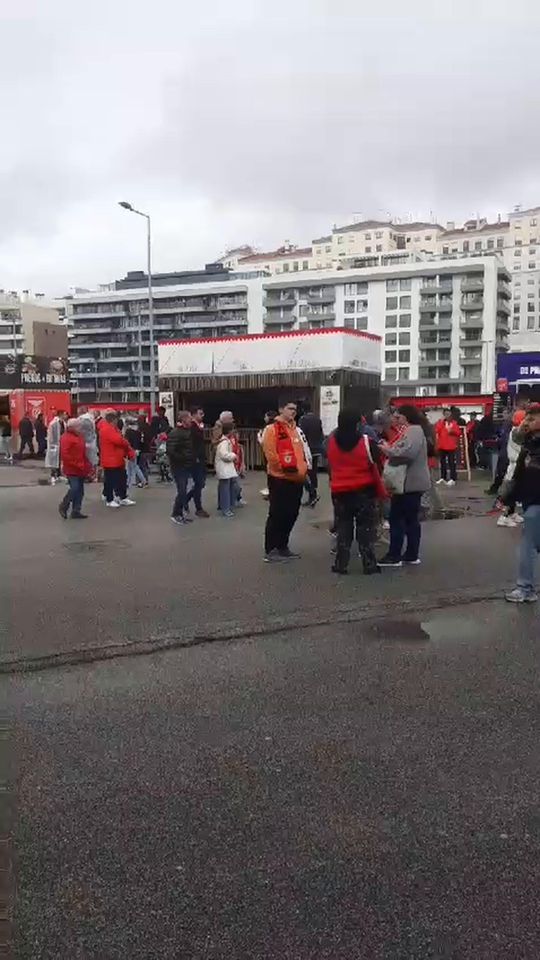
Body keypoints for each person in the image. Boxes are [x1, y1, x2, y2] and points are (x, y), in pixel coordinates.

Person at [326, 409, 386, 575]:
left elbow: (329, 463)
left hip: (339, 491)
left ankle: (341, 565)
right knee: (365, 529)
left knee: (343, 528)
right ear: (357, 423)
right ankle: (369, 564)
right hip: (364, 491)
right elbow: (377, 462)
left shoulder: (330, 441)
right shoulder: (366, 441)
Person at [378, 405, 431, 567]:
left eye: (398, 417)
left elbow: (407, 452)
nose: (396, 419)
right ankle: (410, 554)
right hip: (410, 482)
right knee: (410, 519)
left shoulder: (413, 430)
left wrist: (388, 450)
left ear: (406, 417)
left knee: (398, 518)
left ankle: (395, 555)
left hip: (409, 483)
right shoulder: (413, 430)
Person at [261, 400, 308, 562]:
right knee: (277, 514)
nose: (293, 412)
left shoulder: (296, 430)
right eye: (290, 408)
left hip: (297, 479)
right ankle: (271, 549)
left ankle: (283, 546)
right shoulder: (271, 429)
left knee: (291, 514)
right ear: (281, 409)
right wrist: (284, 470)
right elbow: (271, 455)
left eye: (295, 409)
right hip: (280, 479)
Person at [504, 406, 540, 602]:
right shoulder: (530, 442)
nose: (527, 422)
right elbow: (516, 438)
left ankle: (525, 588)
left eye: (533, 418)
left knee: (528, 545)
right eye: (527, 418)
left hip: (536, 500)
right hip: (530, 498)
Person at [99, 411, 136, 507]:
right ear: (113, 420)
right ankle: (110, 499)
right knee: (111, 480)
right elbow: (119, 440)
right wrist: (125, 442)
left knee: (121, 479)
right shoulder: (107, 429)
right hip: (111, 460)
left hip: (116, 459)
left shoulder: (112, 429)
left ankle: (122, 497)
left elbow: (121, 440)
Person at [58, 419, 91, 520]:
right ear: (72, 427)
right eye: (79, 426)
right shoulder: (66, 438)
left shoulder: (79, 437)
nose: (80, 428)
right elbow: (65, 455)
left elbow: (82, 452)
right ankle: (64, 505)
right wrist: (77, 464)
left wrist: (87, 465)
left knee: (80, 490)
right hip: (72, 468)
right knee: (75, 488)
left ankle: (76, 510)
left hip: (80, 467)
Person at [167, 411, 194, 525]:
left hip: (185, 465)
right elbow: (171, 451)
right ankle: (176, 514)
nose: (191, 420)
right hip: (178, 466)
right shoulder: (176, 433)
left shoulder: (187, 432)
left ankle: (180, 513)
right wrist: (183, 458)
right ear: (183, 420)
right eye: (189, 418)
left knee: (183, 489)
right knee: (182, 490)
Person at [298, 401, 324, 507]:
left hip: (308, 449)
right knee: (313, 472)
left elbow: (301, 435)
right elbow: (321, 433)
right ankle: (313, 493)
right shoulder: (317, 419)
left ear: (303, 410)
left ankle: (312, 493)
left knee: (304, 473)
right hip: (317, 448)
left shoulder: (303, 420)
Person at [185, 407, 209, 517]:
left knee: (200, 483)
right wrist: (195, 457)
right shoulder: (192, 427)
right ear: (194, 415)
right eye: (200, 413)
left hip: (200, 458)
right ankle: (198, 508)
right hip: (196, 459)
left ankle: (185, 499)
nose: (202, 415)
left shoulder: (199, 427)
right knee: (199, 483)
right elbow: (192, 444)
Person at [215, 422, 238, 518]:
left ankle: (223, 506)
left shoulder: (224, 440)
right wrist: (233, 456)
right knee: (225, 489)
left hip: (226, 468)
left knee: (226, 487)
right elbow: (224, 455)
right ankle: (226, 508)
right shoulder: (224, 442)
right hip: (224, 468)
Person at [435, 408, 460, 485]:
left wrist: (451, 431)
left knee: (451, 463)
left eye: (448, 414)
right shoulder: (440, 422)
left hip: (451, 446)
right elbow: (437, 430)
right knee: (442, 463)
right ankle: (443, 477)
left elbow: (458, 433)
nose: (447, 415)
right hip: (442, 445)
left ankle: (453, 478)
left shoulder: (454, 423)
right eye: (446, 414)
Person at [257, 410, 277, 499]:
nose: (264, 418)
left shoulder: (267, 428)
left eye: (265, 416)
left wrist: (259, 436)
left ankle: (271, 493)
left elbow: (263, 442)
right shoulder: (278, 426)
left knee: (270, 474)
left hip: (269, 453)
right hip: (277, 453)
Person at [124, 418, 148, 489]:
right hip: (137, 450)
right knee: (132, 466)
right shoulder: (138, 431)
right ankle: (128, 482)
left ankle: (143, 481)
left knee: (133, 466)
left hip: (131, 450)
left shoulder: (128, 431)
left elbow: (126, 442)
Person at [45, 411, 68, 482]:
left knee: (59, 460)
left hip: (61, 444)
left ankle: (58, 474)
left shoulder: (63, 423)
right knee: (53, 460)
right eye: (65, 414)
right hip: (54, 444)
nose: (66, 416)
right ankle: (53, 475)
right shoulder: (53, 423)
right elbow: (50, 435)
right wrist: (52, 443)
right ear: (61, 415)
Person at [77, 408, 98, 474]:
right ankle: (93, 473)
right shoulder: (91, 419)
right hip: (92, 442)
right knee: (92, 459)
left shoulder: (81, 420)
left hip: (85, 443)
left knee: (86, 459)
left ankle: (88, 474)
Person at [137, 414, 153, 482]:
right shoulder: (148, 427)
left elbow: (141, 439)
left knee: (141, 465)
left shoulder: (141, 428)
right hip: (147, 448)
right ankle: (144, 479)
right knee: (144, 465)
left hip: (142, 449)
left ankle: (143, 480)